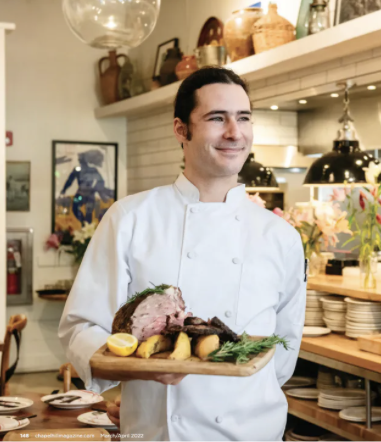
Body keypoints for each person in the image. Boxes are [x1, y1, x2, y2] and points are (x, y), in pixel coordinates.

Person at [58, 67, 306, 441]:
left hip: (252, 430)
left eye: (243, 118)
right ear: (180, 130)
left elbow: (282, 355)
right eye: (216, 118)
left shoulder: (281, 237)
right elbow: (80, 326)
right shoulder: (130, 218)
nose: (234, 132)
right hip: (159, 430)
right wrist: (137, 372)